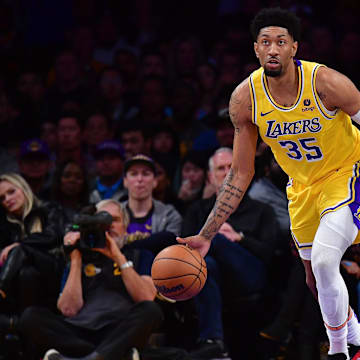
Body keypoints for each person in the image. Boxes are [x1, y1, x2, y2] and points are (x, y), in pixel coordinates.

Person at [177, 7, 360, 360]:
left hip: (347, 174)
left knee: (324, 262)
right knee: (313, 280)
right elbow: (240, 173)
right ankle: (354, 332)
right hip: (302, 188)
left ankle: (339, 351)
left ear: (294, 47)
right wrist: (207, 233)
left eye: (280, 42)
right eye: (265, 42)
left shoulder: (326, 83)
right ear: (256, 50)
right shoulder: (245, 98)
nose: (273, 49)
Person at [18, 199, 163, 360]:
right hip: (79, 331)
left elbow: (146, 297)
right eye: (102, 220)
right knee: (30, 317)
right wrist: (76, 260)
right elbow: (68, 310)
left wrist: (118, 257)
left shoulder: (140, 255)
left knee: (151, 310)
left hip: (119, 329)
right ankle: (105, 356)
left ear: (126, 229)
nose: (108, 226)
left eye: (114, 220)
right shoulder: (79, 258)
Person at [181, 147, 280, 359]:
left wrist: (239, 238)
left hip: (251, 277)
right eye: (220, 169)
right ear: (210, 177)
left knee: (213, 238)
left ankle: (213, 341)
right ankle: (214, 342)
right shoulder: (196, 210)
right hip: (210, 277)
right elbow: (184, 253)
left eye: (232, 168)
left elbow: (269, 255)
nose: (227, 173)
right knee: (206, 265)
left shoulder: (261, 210)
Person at [0, 173, 66, 347]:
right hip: (23, 283)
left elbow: (54, 236)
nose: (7, 199)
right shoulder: (6, 225)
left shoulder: (49, 209)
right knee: (26, 273)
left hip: (52, 270)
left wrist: (20, 245)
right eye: (2, 198)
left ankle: (1, 289)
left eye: (11, 192)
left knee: (22, 251)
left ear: (24, 188)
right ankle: (22, 328)